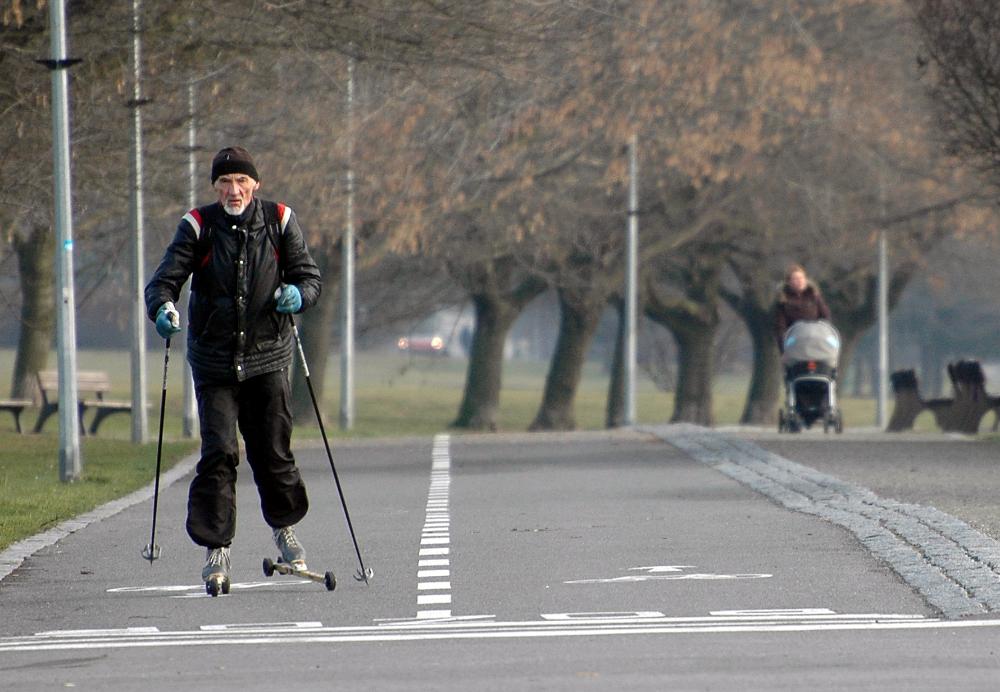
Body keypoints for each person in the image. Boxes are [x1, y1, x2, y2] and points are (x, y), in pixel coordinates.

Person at [144, 146, 321, 592]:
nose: (233, 190)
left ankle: (285, 532)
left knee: (272, 451)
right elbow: (165, 279)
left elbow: (309, 277)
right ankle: (216, 548)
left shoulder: (280, 220)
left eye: (241, 181)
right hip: (215, 361)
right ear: (215, 188)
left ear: (255, 184)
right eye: (225, 182)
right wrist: (163, 308)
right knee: (219, 453)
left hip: (267, 356)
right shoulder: (198, 225)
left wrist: (298, 296)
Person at [773, 263, 831, 352]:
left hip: (815, 340)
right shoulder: (782, 301)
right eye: (795, 279)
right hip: (794, 342)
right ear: (789, 282)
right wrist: (783, 348)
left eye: (802, 278)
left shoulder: (814, 296)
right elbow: (780, 327)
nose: (800, 281)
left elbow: (825, 316)